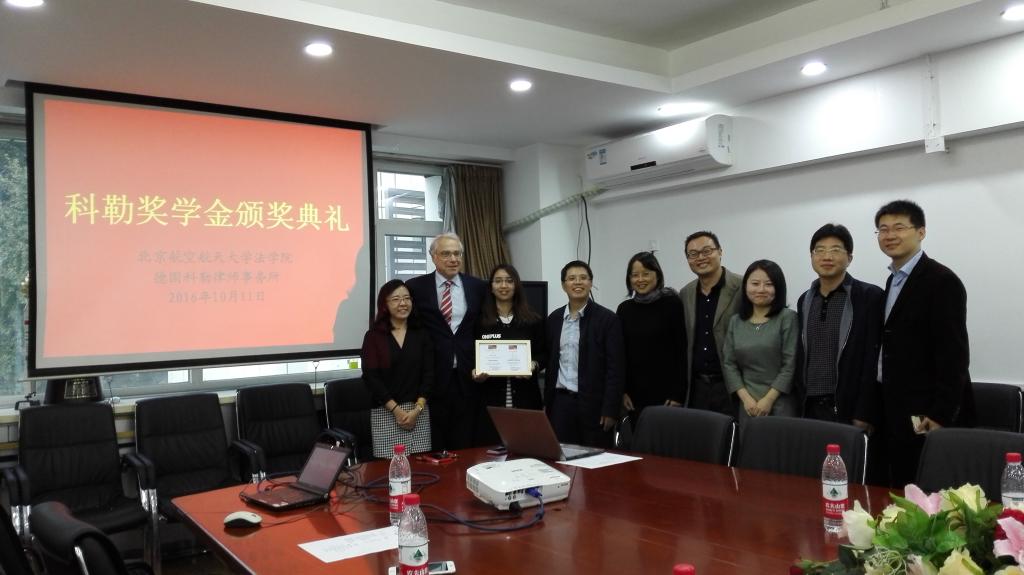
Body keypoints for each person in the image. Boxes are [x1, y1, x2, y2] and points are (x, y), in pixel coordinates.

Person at [874, 199, 973, 486]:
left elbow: (954, 355)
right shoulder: (893, 281)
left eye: (899, 227)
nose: (890, 235)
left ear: (921, 232)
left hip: (928, 412)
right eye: (883, 229)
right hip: (897, 407)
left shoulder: (942, 281)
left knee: (930, 492)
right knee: (902, 486)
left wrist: (940, 414)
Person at [795, 224, 884, 431]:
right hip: (809, 406)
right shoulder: (805, 300)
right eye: (820, 250)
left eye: (835, 250)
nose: (827, 256)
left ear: (849, 258)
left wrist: (864, 411)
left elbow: (873, 360)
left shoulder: (869, 297)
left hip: (848, 407)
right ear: (811, 256)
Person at [405, 233, 488, 450]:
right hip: (432, 377)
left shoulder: (478, 287)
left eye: (457, 254)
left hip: (468, 377)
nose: (453, 259)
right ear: (433, 257)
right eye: (446, 254)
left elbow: (483, 329)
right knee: (435, 445)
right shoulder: (416, 287)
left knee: (466, 443)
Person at [545, 260, 625, 448]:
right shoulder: (554, 319)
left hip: (594, 405)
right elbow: (550, 360)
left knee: (595, 459)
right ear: (564, 285)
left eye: (583, 278)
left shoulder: (607, 319)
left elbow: (616, 368)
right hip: (561, 404)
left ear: (591, 283)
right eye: (572, 278)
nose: (577, 282)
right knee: (561, 457)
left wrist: (611, 409)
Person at [360, 280, 434, 458]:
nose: (403, 303)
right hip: (387, 412)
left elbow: (429, 374)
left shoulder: (421, 333)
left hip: (418, 412)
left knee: (421, 467)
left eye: (407, 298)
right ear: (384, 304)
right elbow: (371, 377)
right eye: (396, 299)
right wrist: (396, 410)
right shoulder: (373, 337)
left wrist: (417, 409)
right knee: (391, 469)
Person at [473, 264, 545, 444]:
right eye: (498, 281)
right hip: (490, 400)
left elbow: (544, 353)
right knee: (491, 452)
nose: (503, 285)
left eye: (509, 281)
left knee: (527, 448)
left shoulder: (532, 320)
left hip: (526, 398)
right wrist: (474, 372)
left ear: (516, 285)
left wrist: (533, 365)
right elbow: (471, 356)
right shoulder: (479, 321)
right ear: (491, 286)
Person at [722, 259, 799, 427]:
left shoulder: (788, 318)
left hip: (780, 402)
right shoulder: (736, 321)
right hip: (747, 404)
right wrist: (745, 398)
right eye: (755, 283)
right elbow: (729, 363)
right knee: (749, 443)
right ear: (745, 286)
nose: (761, 289)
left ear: (778, 288)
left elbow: (790, 365)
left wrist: (768, 400)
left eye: (768, 284)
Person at [615, 252, 687, 421]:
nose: (640, 279)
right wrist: (623, 391)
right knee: (639, 436)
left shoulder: (672, 304)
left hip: (667, 395)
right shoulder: (624, 309)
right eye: (635, 275)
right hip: (634, 396)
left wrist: (678, 394)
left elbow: (682, 351)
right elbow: (620, 354)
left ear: (657, 275)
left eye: (646, 274)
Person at [679, 231, 742, 417]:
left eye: (707, 251)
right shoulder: (685, 294)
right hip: (697, 387)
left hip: (732, 385)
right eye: (693, 254)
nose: (700, 258)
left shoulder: (742, 286)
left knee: (735, 433)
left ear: (720, 252)